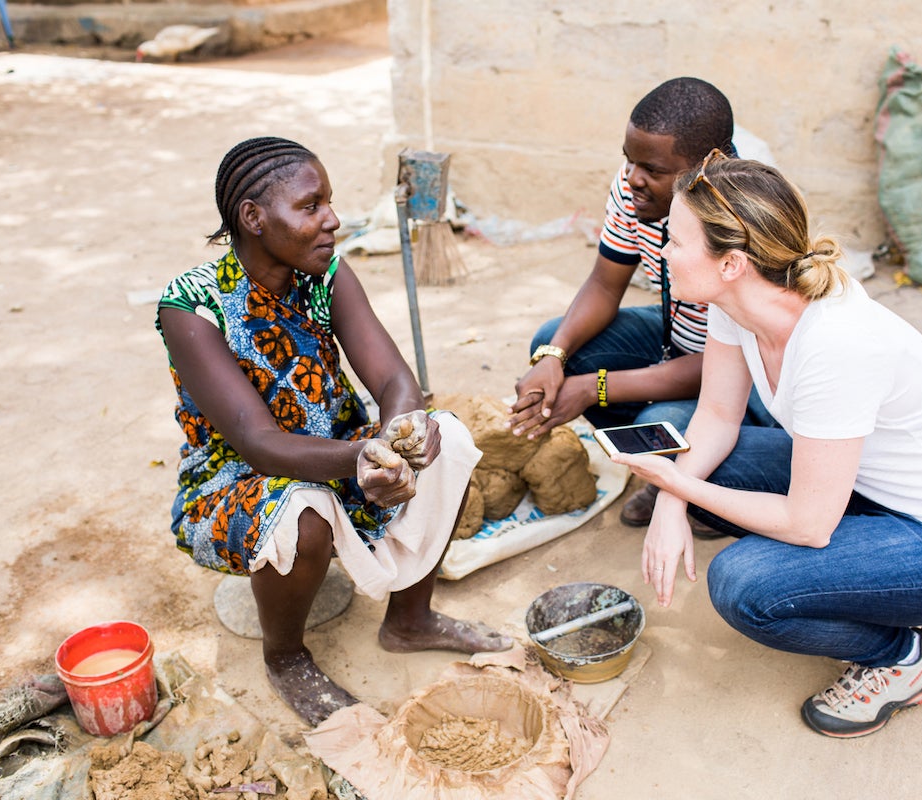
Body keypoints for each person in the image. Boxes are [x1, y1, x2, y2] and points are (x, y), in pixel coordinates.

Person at [612, 150, 922, 738]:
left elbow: (808, 525)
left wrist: (671, 481)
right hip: (866, 489)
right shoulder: (737, 301)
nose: (663, 249)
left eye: (676, 241)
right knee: (707, 476)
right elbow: (718, 416)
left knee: (743, 586)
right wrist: (676, 499)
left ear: (730, 262)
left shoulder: (837, 345)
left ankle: (900, 656)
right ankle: (866, 587)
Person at [155, 137, 511, 727]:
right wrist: (363, 459)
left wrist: (402, 437)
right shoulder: (193, 307)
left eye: (329, 202)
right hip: (240, 479)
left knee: (445, 436)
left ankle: (410, 620)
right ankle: (286, 656)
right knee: (302, 512)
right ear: (253, 217)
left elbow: (395, 377)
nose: (333, 220)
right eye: (311, 206)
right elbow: (257, 442)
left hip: (350, 453)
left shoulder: (325, 274)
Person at [507, 77, 774, 528]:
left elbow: (726, 362)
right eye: (629, 161)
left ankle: (708, 485)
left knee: (661, 421)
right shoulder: (636, 188)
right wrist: (553, 358)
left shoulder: (745, 222)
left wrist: (594, 387)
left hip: (741, 380)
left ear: (707, 165)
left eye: (651, 168)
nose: (633, 179)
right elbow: (605, 285)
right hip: (675, 335)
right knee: (553, 340)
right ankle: (676, 464)